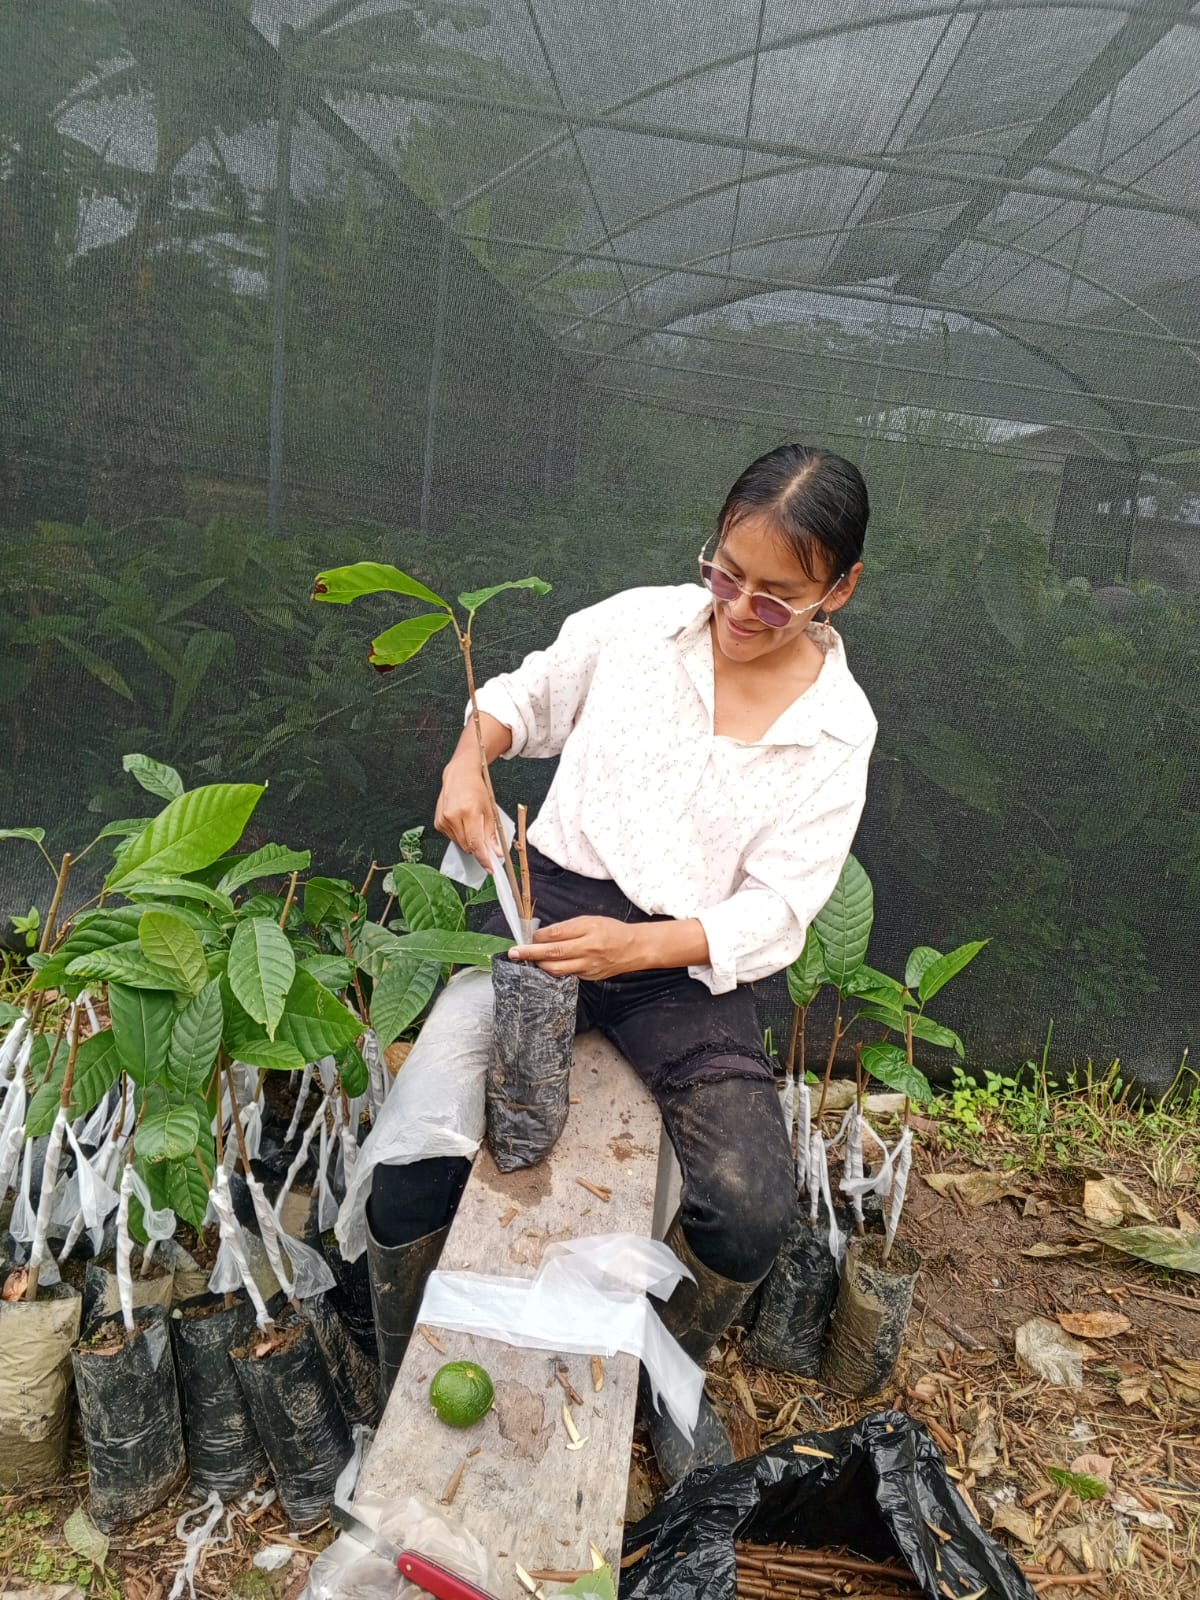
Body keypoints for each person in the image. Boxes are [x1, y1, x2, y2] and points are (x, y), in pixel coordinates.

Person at [372, 443, 876, 1481]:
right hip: (550, 917)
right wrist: (467, 760)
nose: (739, 610)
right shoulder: (638, 625)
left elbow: (777, 910)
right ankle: (395, 1371)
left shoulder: (836, 732)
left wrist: (637, 947)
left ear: (840, 589)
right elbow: (522, 698)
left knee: (750, 1209)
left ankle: (662, 1371)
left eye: (777, 598)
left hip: (684, 967)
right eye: (726, 574)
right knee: (415, 1161)